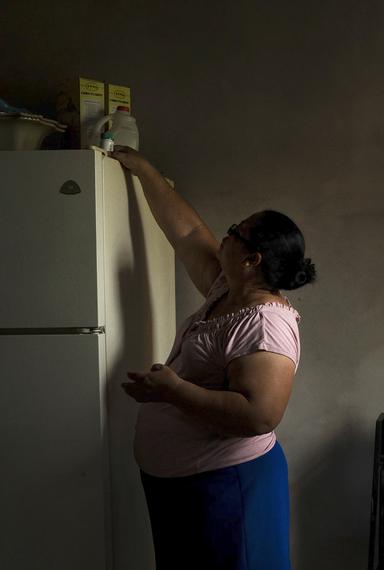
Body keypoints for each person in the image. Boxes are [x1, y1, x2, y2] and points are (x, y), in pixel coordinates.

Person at [111, 146, 315, 570]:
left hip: (228, 489)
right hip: (184, 487)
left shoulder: (266, 323)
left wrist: (173, 391)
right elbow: (187, 234)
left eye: (234, 232)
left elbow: (259, 416)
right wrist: (146, 171)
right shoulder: (226, 291)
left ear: (252, 259)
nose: (223, 235)